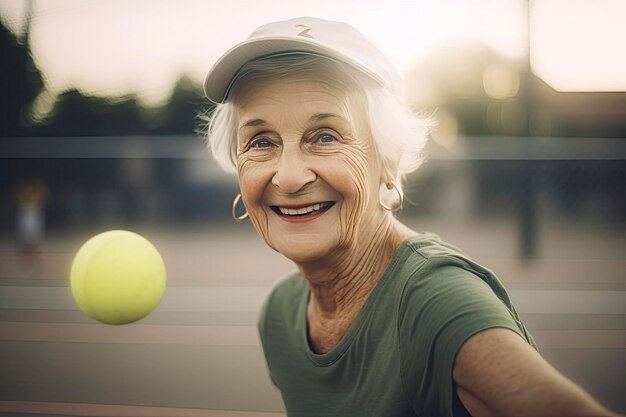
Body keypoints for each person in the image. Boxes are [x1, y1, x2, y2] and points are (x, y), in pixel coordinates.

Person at [203, 16, 618, 417]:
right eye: (261, 141)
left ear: (389, 159)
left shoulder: (435, 302)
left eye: (325, 136)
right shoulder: (280, 314)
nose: (289, 177)